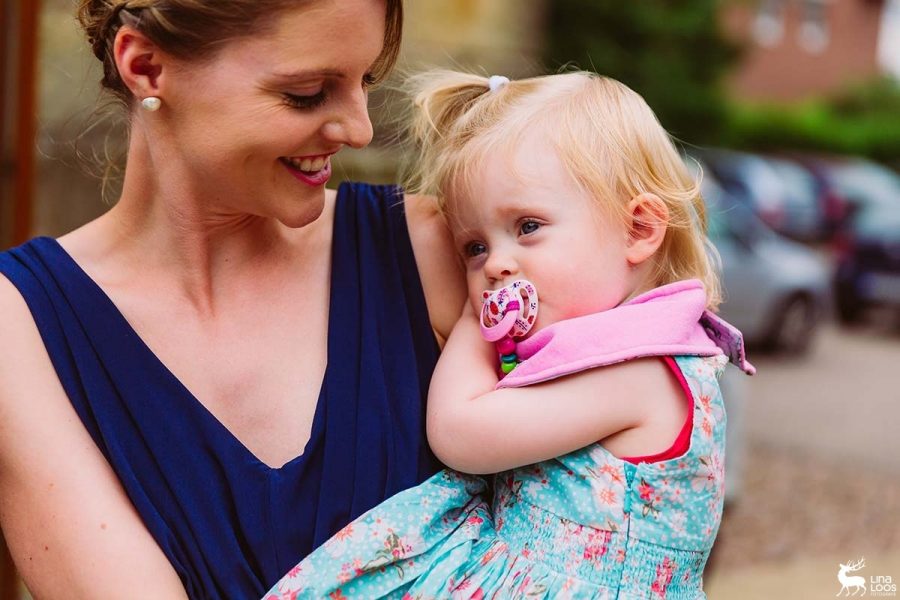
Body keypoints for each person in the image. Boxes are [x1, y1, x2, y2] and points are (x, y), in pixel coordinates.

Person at [0, 1, 468, 598]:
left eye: (364, 80)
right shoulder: (20, 324)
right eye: (307, 92)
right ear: (145, 67)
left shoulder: (431, 250)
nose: (360, 129)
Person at [263, 70, 756, 599]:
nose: (497, 264)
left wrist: (480, 325)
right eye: (474, 248)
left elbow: (458, 433)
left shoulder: (639, 372)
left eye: (527, 227)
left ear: (637, 230)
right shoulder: (626, 351)